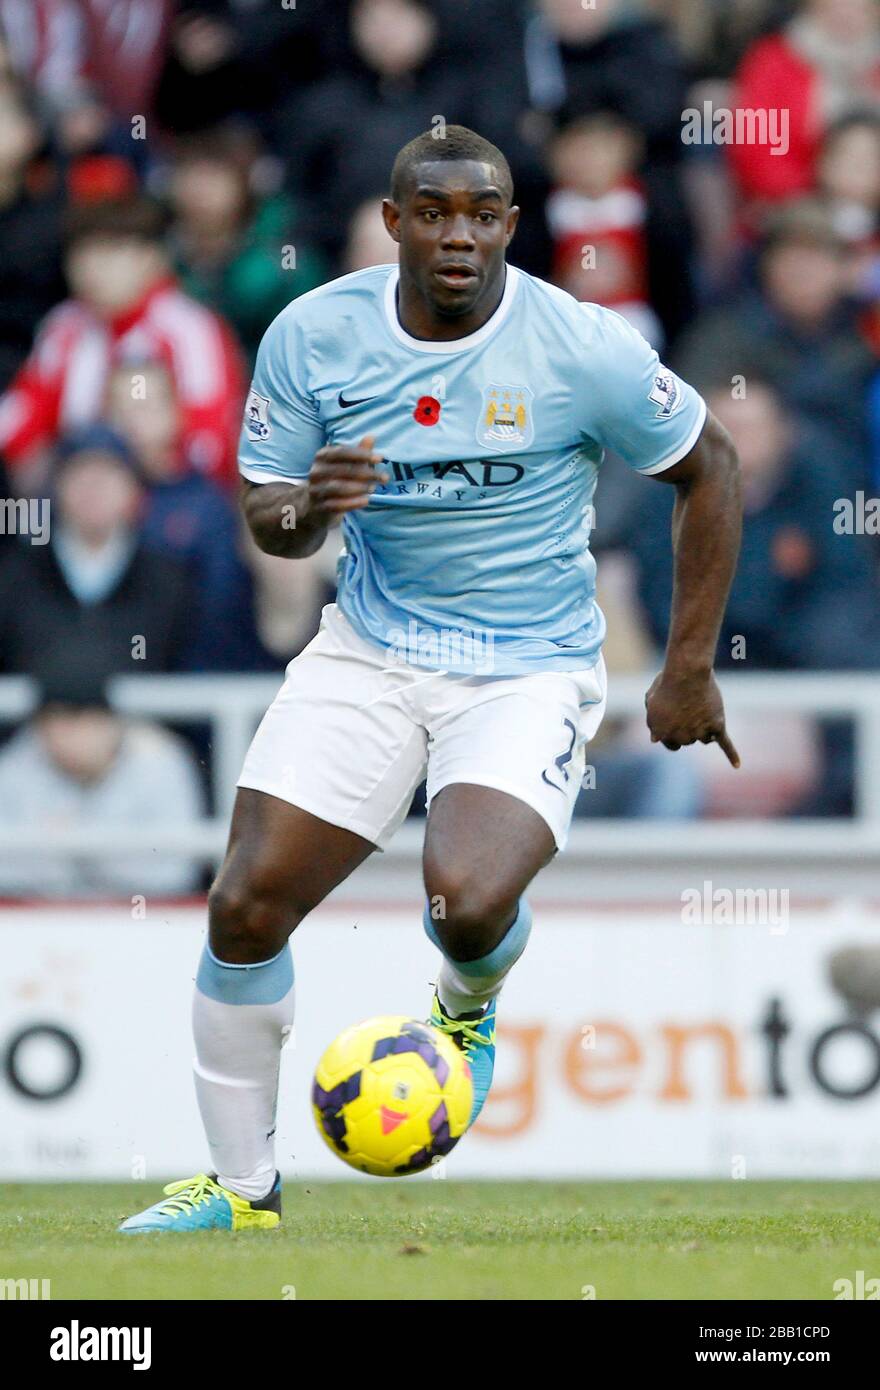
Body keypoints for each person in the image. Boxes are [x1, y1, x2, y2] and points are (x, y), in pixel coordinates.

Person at [119, 126, 741, 1234]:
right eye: (435, 212)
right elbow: (272, 524)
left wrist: (688, 663)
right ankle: (241, 1191)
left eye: (483, 213)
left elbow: (713, 467)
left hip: (525, 666)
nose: (459, 233)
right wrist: (312, 500)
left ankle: (466, 1007)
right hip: (368, 649)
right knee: (245, 904)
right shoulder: (313, 335)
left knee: (467, 898)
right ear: (395, 221)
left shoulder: (576, 344)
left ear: (510, 224)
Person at [0, 195, 245, 487]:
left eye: (109, 253)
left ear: (152, 259)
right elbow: (23, 411)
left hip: (167, 501)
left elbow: (211, 440)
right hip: (73, 497)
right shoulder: (65, 325)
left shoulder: (189, 329)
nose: (90, 269)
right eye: (80, 254)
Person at [0, 424, 194, 683]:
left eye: (108, 474)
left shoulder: (168, 581)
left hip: (140, 722)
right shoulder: (16, 575)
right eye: (80, 473)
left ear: (135, 490)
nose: (93, 487)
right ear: (57, 486)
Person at [0, 671, 204, 899]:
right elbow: (7, 873)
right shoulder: (17, 763)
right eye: (53, 722)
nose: (66, 737)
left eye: (81, 721)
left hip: (142, 918)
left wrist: (73, 848)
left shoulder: (160, 760)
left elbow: (174, 871)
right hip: (41, 918)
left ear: (110, 721)